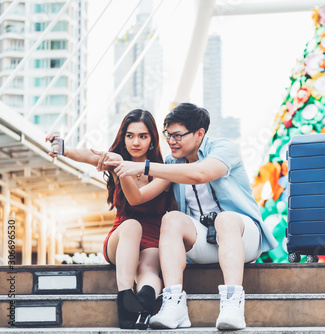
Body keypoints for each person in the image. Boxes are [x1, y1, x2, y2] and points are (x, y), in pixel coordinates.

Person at [107, 103, 278, 330]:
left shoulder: (224, 149)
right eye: (168, 135)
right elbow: (138, 197)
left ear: (200, 134)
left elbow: (200, 173)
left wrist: (144, 168)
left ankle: (232, 305)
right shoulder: (171, 164)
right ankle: (174, 304)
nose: (171, 141)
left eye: (178, 135)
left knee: (225, 219)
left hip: (243, 237)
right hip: (205, 242)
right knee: (171, 219)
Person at [46, 109, 172, 329]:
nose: (136, 142)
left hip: (152, 238)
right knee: (131, 225)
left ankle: (144, 301)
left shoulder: (162, 172)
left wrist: (120, 166)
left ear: (152, 140)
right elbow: (88, 155)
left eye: (143, 136)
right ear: (123, 137)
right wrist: (61, 147)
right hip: (121, 238)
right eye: (130, 135)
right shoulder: (116, 161)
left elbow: (136, 199)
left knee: (148, 270)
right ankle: (125, 298)